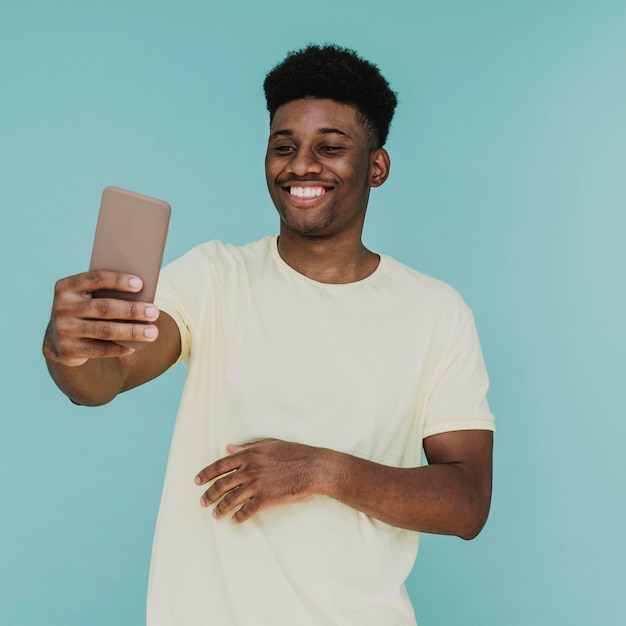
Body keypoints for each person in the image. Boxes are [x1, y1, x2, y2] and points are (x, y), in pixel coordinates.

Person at [43, 45, 495, 626]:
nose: (302, 165)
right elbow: (101, 383)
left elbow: (467, 504)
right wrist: (70, 347)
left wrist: (322, 471)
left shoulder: (436, 312)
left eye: (330, 148)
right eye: (284, 147)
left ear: (376, 167)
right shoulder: (213, 277)